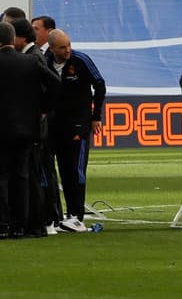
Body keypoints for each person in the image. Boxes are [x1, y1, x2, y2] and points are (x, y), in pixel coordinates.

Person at [0, 21, 57, 239]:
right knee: (21, 177)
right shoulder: (30, 61)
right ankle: (19, 226)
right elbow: (55, 83)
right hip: (25, 129)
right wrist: (43, 108)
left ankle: (0, 226)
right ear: (13, 39)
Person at [46, 29, 105, 233]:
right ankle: (62, 215)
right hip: (54, 125)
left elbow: (100, 84)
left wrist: (96, 116)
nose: (68, 50)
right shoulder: (45, 61)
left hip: (78, 124)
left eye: (69, 45)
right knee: (60, 170)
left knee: (75, 170)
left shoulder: (81, 60)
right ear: (52, 48)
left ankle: (77, 217)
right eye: (63, 47)